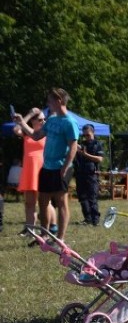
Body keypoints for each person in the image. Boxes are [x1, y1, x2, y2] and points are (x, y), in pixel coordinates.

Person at [13, 88, 78, 240]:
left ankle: (60, 239)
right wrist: (22, 122)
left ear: (59, 101)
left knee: (61, 202)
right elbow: (36, 136)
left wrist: (65, 167)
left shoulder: (70, 122)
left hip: (61, 167)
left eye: (50, 101)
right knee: (42, 202)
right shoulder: (52, 120)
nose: (48, 104)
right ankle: (44, 236)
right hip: (47, 167)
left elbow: (73, 146)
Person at [12, 109, 56, 234]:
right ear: (33, 121)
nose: (43, 121)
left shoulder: (46, 132)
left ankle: (53, 226)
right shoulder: (27, 133)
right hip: (29, 171)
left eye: (44, 119)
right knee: (29, 202)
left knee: (45, 201)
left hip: (42, 169)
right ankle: (30, 229)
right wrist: (30, 114)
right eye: (40, 119)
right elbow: (16, 130)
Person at [73, 124, 104, 226]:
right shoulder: (82, 145)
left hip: (92, 175)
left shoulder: (97, 144)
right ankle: (87, 219)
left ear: (93, 133)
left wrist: (86, 155)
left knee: (92, 198)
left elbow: (100, 159)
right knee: (82, 198)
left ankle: (95, 220)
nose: (86, 137)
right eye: (84, 135)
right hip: (80, 174)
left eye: (88, 135)